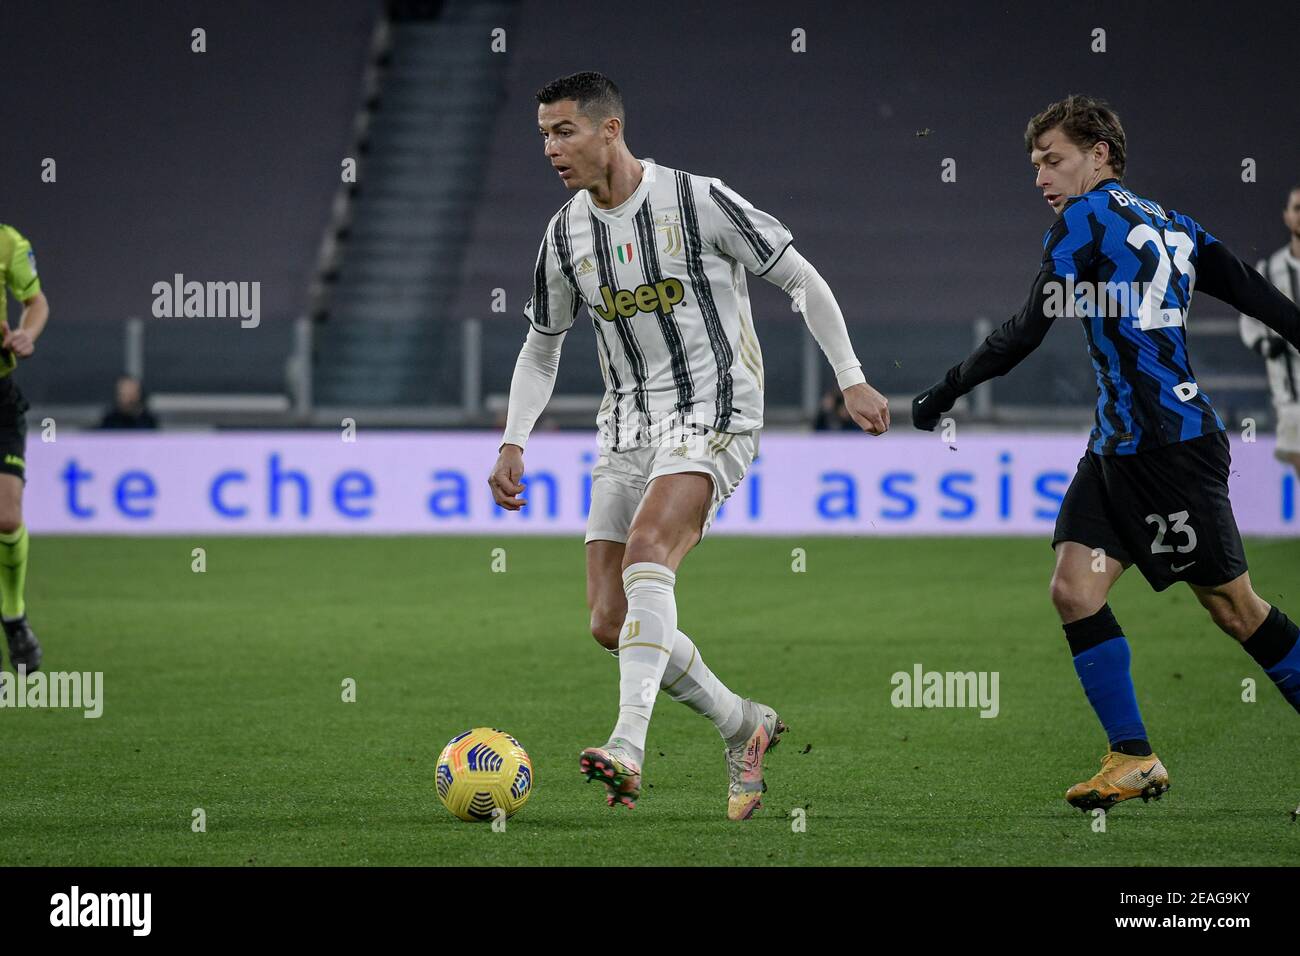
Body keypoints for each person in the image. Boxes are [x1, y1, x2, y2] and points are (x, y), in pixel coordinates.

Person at [487, 71, 889, 819]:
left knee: (648, 553)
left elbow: (800, 278)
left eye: (563, 131)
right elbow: (542, 347)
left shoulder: (698, 200)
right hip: (625, 427)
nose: (550, 148)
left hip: (715, 411)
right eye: (543, 134)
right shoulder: (564, 233)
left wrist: (853, 377)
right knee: (610, 623)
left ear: (610, 129)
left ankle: (627, 748)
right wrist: (514, 441)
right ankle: (744, 724)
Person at [911, 96, 1300, 813]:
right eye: (1034, 164)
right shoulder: (1176, 225)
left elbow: (1026, 331)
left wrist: (942, 392)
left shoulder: (1084, 223)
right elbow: (1257, 296)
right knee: (1073, 589)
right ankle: (1133, 757)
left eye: (1052, 160)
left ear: (1100, 154)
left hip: (1170, 450)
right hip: (1119, 449)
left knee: (1236, 609)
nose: (1041, 177)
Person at [0, 224, 49, 674]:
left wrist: (25, 334)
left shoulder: (8, 242)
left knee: (7, 516)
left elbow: (35, 302)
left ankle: (13, 617)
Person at [1239, 185, 1300, 478]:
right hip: (1290, 395)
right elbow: (1249, 321)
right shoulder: (1270, 269)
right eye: (1297, 209)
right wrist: (1265, 345)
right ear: (1287, 217)